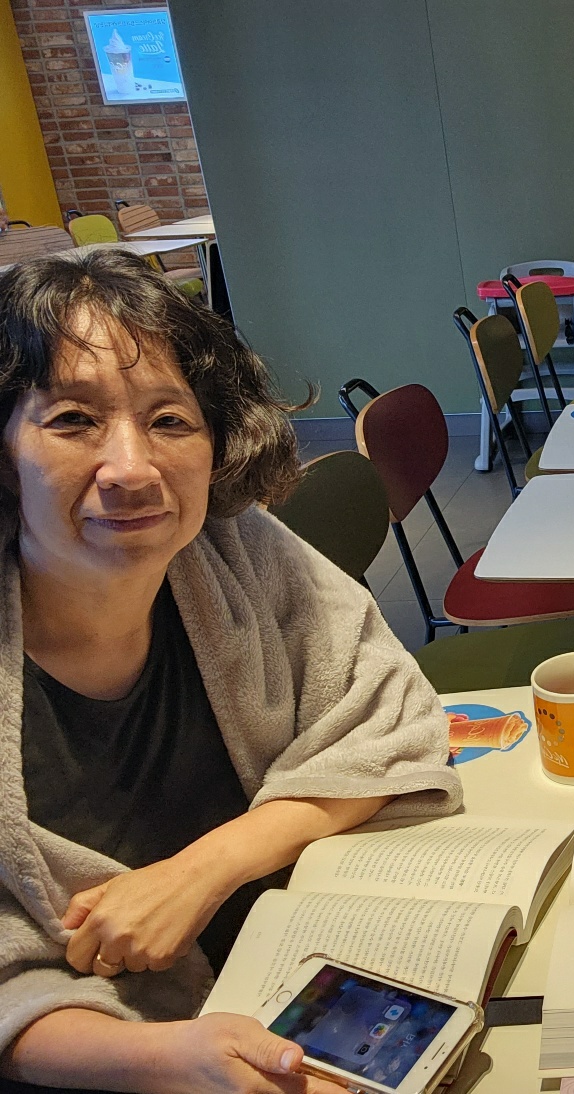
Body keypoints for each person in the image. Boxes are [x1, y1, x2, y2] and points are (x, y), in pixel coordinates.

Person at [0, 249, 462, 1093]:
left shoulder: (232, 545)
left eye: (170, 420)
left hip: (305, 987)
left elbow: (390, 722)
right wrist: (162, 1061)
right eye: (72, 419)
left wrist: (207, 865)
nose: (133, 468)